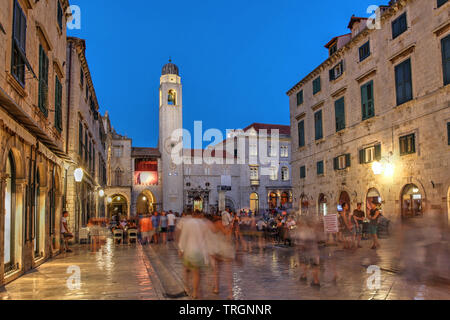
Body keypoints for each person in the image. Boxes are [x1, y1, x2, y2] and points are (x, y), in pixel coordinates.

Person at [177, 211, 211, 299]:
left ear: (193, 215)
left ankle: (187, 288)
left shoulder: (188, 223)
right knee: (196, 273)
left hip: (189, 251)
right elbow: (206, 239)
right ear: (200, 215)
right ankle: (195, 292)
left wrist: (181, 249)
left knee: (187, 270)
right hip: (199, 252)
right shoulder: (203, 224)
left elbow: (184, 236)